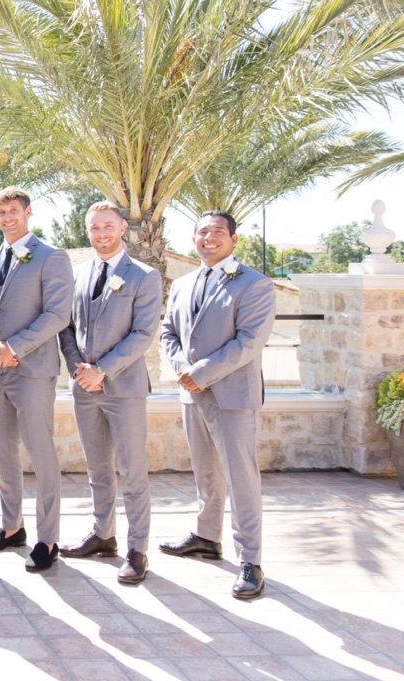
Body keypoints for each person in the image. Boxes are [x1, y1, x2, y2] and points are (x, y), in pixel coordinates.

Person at [159, 210, 276, 599]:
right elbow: (168, 332)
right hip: (191, 392)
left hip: (232, 395)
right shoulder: (183, 283)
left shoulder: (255, 284)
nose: (209, 238)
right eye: (202, 232)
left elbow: (248, 342)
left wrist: (202, 372)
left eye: (218, 232)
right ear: (194, 238)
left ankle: (251, 560)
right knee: (205, 472)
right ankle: (206, 537)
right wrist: (183, 370)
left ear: (234, 239)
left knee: (241, 477)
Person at [57, 201, 162, 584]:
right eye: (94, 228)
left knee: (133, 472)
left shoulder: (144, 276)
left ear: (121, 229)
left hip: (124, 387)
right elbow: (65, 328)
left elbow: (143, 334)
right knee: (97, 468)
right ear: (87, 232)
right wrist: (78, 369)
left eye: (107, 226)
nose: (101, 233)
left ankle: (137, 550)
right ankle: (103, 535)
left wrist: (103, 370)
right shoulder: (78, 275)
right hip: (84, 387)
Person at [0, 186, 73, 572]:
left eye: (13, 211)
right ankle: (12, 527)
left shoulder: (52, 257)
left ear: (27, 213)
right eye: (0, 213)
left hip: (32, 371)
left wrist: (14, 347)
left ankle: (48, 538)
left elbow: (57, 315)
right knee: (3, 453)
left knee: (41, 453)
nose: (6, 218)